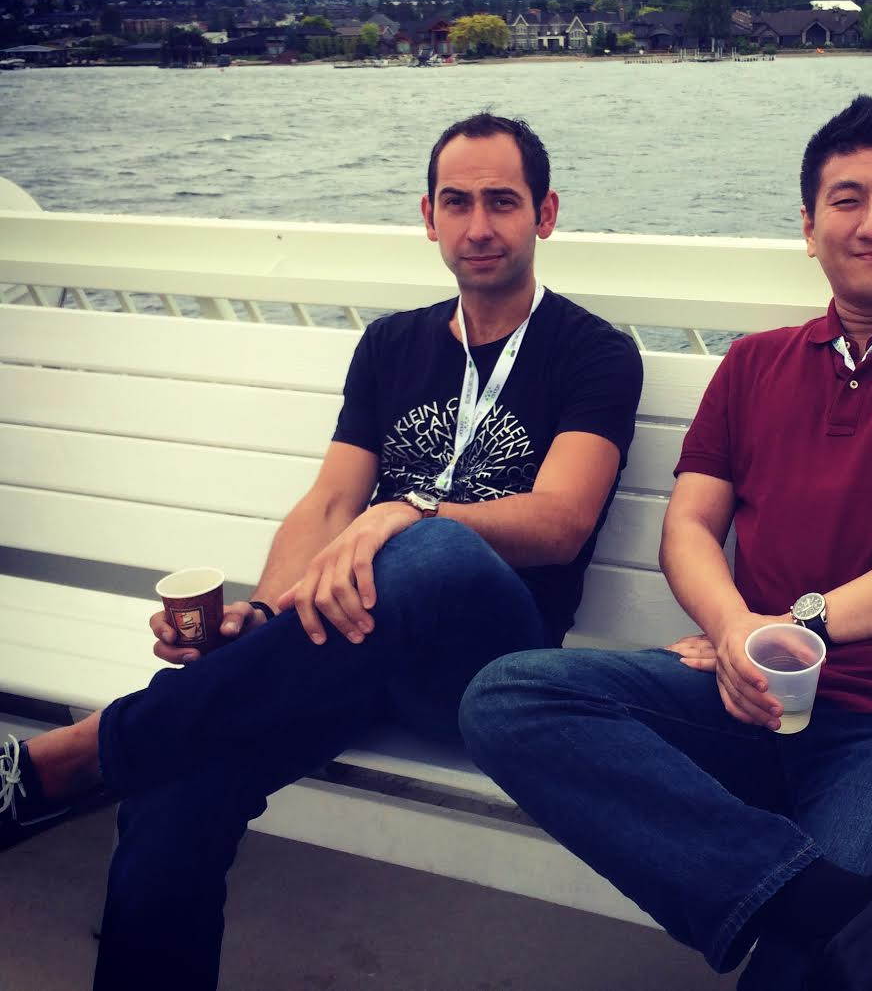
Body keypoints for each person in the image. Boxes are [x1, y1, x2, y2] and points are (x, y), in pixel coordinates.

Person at [0, 112, 643, 991]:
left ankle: (68, 759)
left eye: (503, 201)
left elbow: (562, 521)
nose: (479, 225)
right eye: (457, 203)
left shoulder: (595, 352)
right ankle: (134, 768)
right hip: (346, 643)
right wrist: (264, 611)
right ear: (428, 217)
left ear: (546, 214)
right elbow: (333, 501)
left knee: (433, 549)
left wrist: (409, 512)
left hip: (487, 665)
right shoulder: (391, 344)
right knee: (176, 787)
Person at [461, 95, 872, 991]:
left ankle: (814, 924)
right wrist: (731, 630)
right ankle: (828, 905)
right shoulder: (754, 363)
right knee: (510, 696)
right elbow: (689, 525)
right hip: (750, 698)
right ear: (809, 228)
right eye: (846, 200)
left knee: (801, 977)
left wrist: (793, 628)